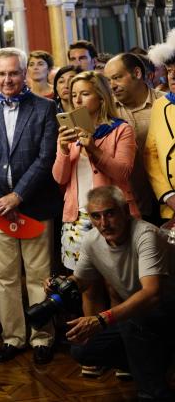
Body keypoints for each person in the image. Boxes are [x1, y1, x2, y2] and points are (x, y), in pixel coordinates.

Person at [0, 47, 60, 365]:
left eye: (14, 73)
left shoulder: (46, 108)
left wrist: (17, 196)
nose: (8, 79)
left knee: (38, 276)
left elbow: (45, 157)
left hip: (33, 203)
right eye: (2, 73)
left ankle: (42, 336)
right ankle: (13, 337)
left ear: (24, 74)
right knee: (4, 277)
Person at [67, 186, 175, 399]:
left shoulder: (145, 235)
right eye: (96, 217)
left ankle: (152, 391)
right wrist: (61, 284)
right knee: (83, 350)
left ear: (125, 211)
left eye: (110, 213)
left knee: (130, 322)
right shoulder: (91, 240)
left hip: (167, 308)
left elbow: (152, 293)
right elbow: (81, 281)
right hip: (138, 315)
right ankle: (156, 365)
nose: (104, 223)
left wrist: (102, 318)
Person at [53, 71, 137, 270]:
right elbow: (59, 178)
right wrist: (64, 150)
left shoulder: (121, 130)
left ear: (101, 97)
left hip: (111, 217)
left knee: (116, 282)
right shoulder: (68, 131)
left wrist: (93, 149)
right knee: (84, 287)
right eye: (74, 95)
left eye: (85, 94)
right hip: (77, 218)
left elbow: (123, 173)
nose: (77, 100)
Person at [105, 53, 164, 223]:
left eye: (116, 78)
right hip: (129, 206)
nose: (112, 86)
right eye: (108, 81)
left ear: (137, 73)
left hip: (170, 200)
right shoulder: (107, 112)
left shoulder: (167, 104)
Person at [145, 33, 175, 224]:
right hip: (171, 207)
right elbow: (151, 155)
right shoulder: (160, 105)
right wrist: (167, 194)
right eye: (169, 70)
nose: (173, 76)